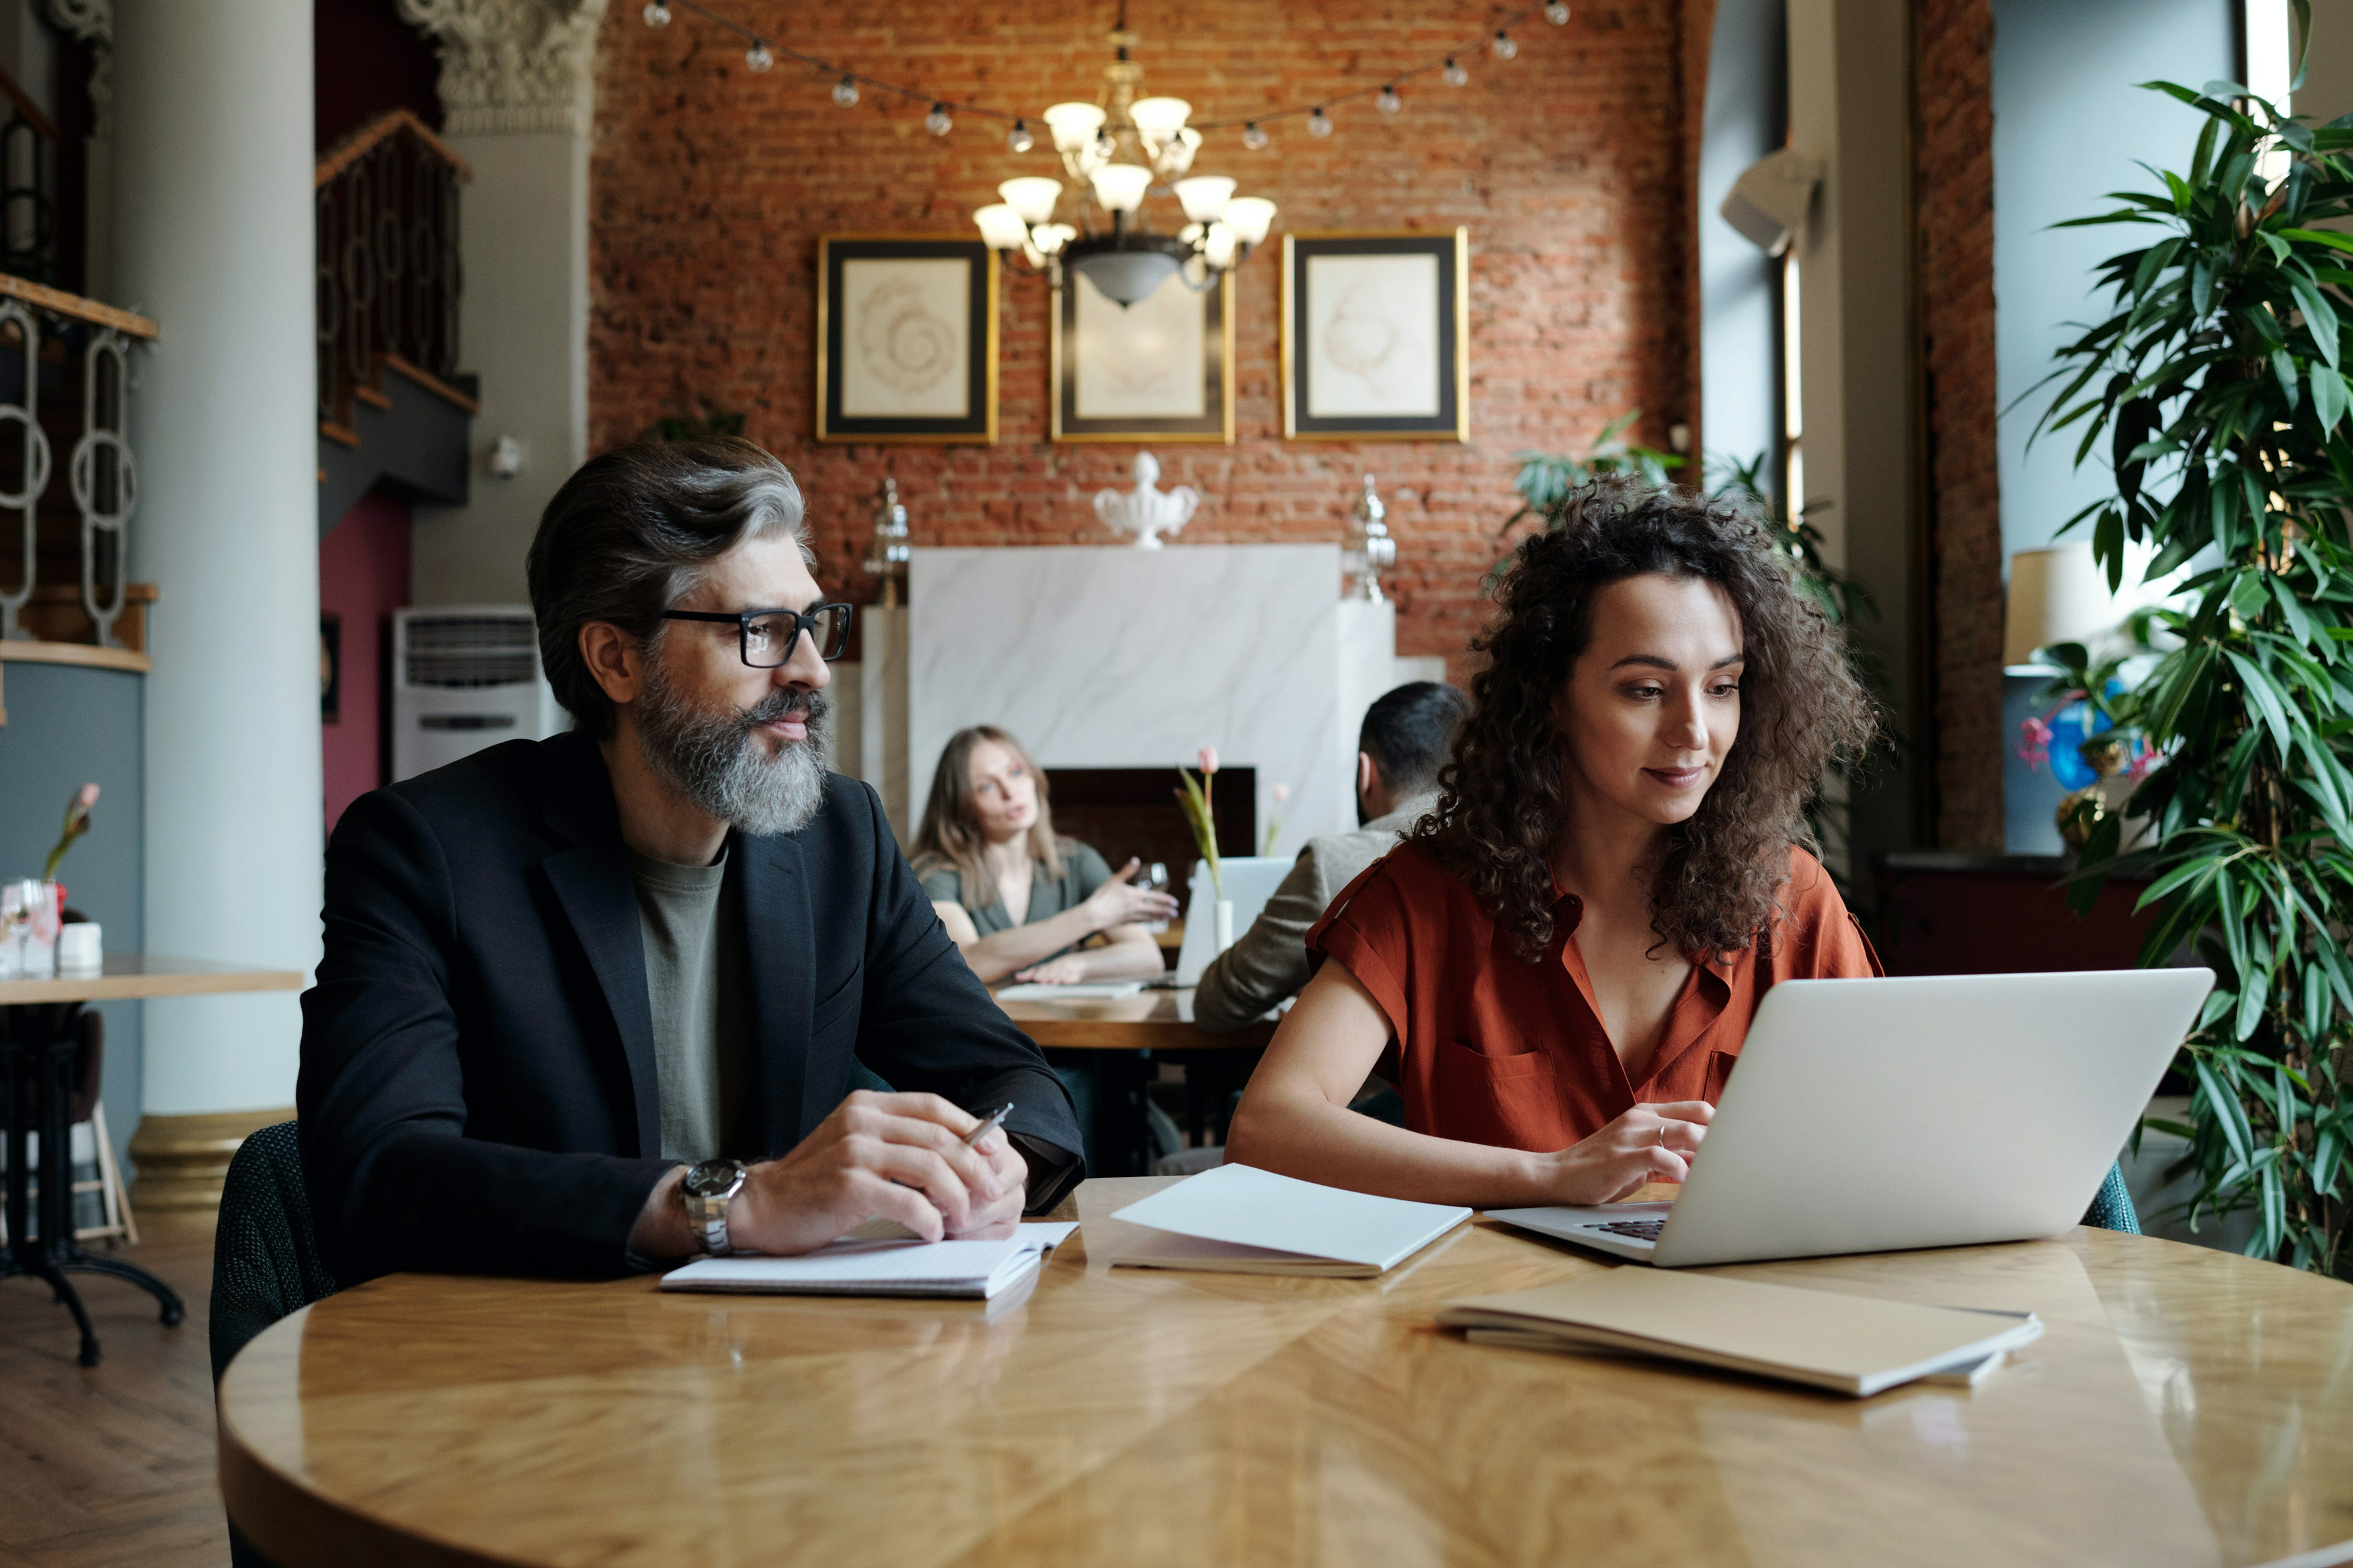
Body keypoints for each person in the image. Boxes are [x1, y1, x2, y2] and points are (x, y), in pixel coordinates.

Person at [298, 440, 1084, 1285]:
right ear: (617, 660)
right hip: (525, 1366)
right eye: (763, 631)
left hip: (787, 1365)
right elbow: (380, 1170)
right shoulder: (427, 850)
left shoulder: (840, 838)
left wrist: (996, 1163)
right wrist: (734, 1204)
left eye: (813, 625)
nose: (814, 671)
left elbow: (1011, 1076)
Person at [1224, 479, 1879, 1208]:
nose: (1694, 730)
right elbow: (1265, 1129)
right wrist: (1549, 1175)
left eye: (1721, 685)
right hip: (1482, 1312)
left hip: (1730, 1309)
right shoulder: (1429, 895)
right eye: (1643, 689)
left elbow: (1885, 1134)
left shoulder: (1790, 898)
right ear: (1550, 696)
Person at [1192, 682, 1470, 1034]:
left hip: (1368, 1088)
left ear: (1365, 772)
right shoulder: (1524, 852)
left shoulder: (1334, 865)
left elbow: (1218, 1004)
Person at [910, 726, 1178, 986]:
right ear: (959, 806)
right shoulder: (935, 874)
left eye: (1016, 772)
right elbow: (964, 964)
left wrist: (1080, 966)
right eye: (986, 787)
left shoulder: (1077, 861)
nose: (1010, 792)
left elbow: (1148, 958)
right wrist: (1089, 917)